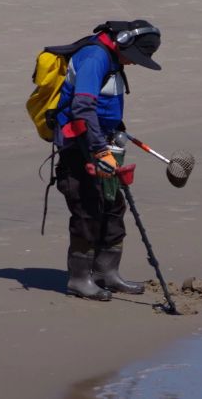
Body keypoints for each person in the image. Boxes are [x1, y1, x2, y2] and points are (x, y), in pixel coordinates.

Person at [52, 20, 161, 300]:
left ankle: (106, 273)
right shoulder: (94, 57)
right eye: (134, 57)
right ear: (122, 41)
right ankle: (78, 279)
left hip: (103, 140)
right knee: (87, 209)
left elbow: (104, 103)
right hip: (80, 146)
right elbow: (82, 106)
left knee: (113, 205)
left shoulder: (113, 58)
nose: (134, 64)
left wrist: (116, 131)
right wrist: (100, 152)